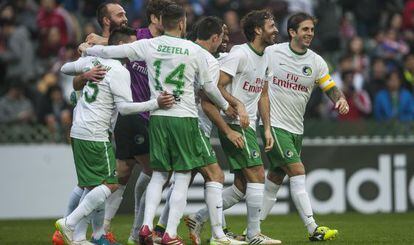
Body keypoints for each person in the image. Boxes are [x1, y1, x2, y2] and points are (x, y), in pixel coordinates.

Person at [82, 4, 233, 245]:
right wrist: (226, 107)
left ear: (163, 22)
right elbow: (209, 88)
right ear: (182, 23)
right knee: (182, 176)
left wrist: (89, 49)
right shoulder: (193, 50)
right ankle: (170, 234)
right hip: (184, 118)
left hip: (158, 117)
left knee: (159, 175)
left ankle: (145, 227)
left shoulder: (149, 45)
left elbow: (114, 52)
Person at [55, 28, 175, 245]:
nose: (133, 50)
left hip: (79, 130)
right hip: (95, 134)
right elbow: (126, 109)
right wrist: (155, 104)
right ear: (119, 47)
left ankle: (82, 238)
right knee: (109, 185)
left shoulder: (92, 61)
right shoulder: (120, 71)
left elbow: (64, 67)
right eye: (129, 46)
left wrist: (83, 74)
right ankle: (69, 223)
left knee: (91, 186)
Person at [185, 9, 281, 245]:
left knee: (241, 185)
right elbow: (215, 88)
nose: (276, 29)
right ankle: (253, 235)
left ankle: (199, 218)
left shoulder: (267, 55)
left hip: (249, 124)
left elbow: (264, 95)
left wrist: (266, 128)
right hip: (234, 123)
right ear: (258, 30)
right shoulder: (239, 54)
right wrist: (236, 105)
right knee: (258, 174)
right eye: (271, 25)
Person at [151, 16, 245, 245]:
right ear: (214, 37)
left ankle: (159, 230)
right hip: (193, 126)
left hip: (171, 120)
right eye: (222, 35)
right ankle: (219, 235)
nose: (224, 40)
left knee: (181, 177)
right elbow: (206, 100)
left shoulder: (189, 52)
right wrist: (228, 129)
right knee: (215, 176)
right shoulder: (206, 60)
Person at [258, 12, 348, 241]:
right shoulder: (272, 52)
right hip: (273, 124)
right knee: (297, 171)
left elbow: (329, 87)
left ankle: (252, 228)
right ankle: (313, 228)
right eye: (305, 29)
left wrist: (340, 98)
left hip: (296, 129)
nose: (310, 34)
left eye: (312, 30)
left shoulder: (316, 61)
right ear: (292, 32)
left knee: (275, 179)